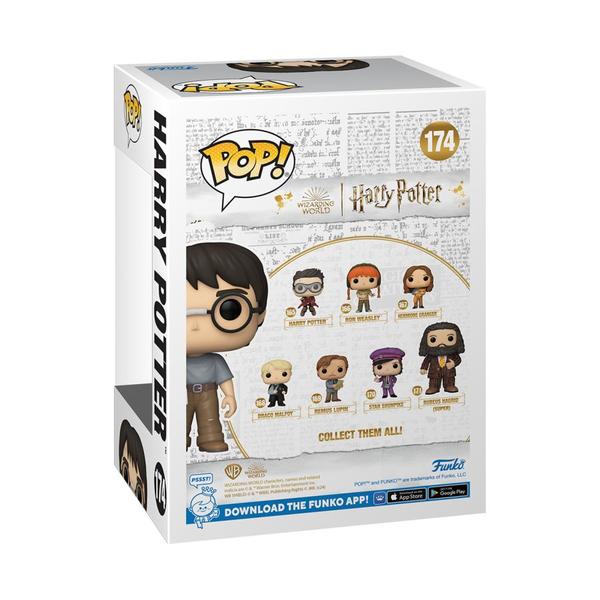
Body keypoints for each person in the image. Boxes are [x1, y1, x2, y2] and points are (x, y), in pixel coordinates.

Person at [186, 242, 268, 452]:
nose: (194, 325)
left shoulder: (215, 361)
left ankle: (210, 439)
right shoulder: (174, 361)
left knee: (210, 419)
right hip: (181, 395)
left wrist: (229, 396)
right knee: (179, 421)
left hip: (208, 393)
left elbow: (224, 380)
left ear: (260, 314)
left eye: (229, 310)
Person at [418, 322, 465, 394]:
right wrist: (424, 368)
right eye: (433, 339)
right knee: (434, 380)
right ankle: (433, 387)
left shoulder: (453, 354)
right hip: (434, 372)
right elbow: (426, 361)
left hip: (449, 372)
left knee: (449, 379)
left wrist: (453, 363)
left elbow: (458, 359)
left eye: (450, 338)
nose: (442, 344)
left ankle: (449, 386)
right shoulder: (431, 355)